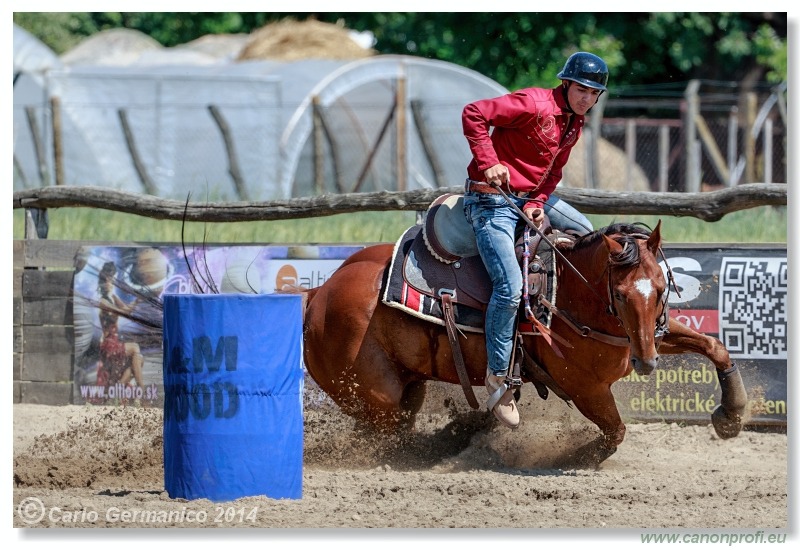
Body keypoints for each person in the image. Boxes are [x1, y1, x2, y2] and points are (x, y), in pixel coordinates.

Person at [461, 51, 609, 428]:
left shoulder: (576, 123)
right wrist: (488, 160)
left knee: (592, 240)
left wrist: (539, 203)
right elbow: (473, 113)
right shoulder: (532, 103)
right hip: (490, 199)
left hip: (528, 199)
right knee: (509, 287)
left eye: (594, 93)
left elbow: (554, 170)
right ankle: (499, 380)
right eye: (581, 89)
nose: (586, 98)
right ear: (566, 83)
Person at [96, 261, 145, 396]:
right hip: (108, 345)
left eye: (113, 280)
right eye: (110, 280)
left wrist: (138, 300)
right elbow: (122, 312)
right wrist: (136, 301)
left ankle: (119, 387)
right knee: (135, 348)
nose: (112, 283)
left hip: (115, 343)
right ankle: (142, 390)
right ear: (104, 282)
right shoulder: (103, 301)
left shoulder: (112, 297)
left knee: (139, 359)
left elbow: (127, 311)